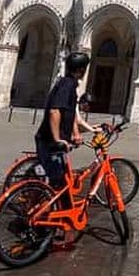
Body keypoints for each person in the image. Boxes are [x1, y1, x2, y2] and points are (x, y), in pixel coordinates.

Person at [34, 52, 95, 192]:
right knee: (58, 187)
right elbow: (54, 111)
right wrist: (57, 140)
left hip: (54, 141)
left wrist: (76, 134)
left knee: (61, 180)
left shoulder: (70, 85)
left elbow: (70, 114)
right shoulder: (66, 85)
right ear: (81, 70)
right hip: (49, 141)